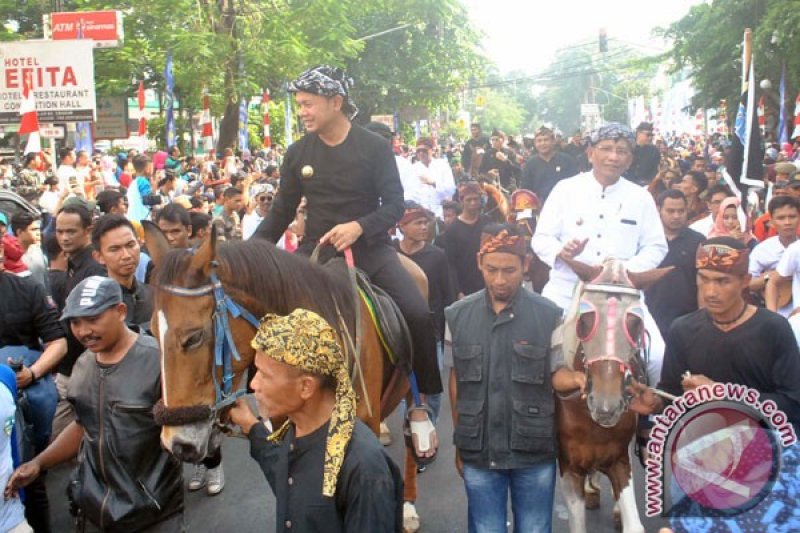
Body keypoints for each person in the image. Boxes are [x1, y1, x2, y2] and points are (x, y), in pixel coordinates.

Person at [253, 65, 441, 462]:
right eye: (299, 104)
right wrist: (246, 257)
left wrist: (358, 226)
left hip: (370, 249)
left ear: (335, 102)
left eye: (308, 104)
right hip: (315, 257)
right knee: (262, 320)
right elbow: (279, 215)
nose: (302, 111)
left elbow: (393, 205)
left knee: (416, 312)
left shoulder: (373, 147)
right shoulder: (298, 153)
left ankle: (419, 403)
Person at [5, 277, 184, 532]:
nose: (83, 330)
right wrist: (38, 463)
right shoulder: (83, 364)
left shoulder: (160, 361)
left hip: (154, 515)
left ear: (120, 311)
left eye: (93, 319)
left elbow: (188, 435)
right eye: (76, 322)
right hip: (93, 513)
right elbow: (83, 426)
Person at [445, 224, 586, 533]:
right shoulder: (456, 316)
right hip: (479, 451)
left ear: (526, 265)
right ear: (478, 263)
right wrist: (460, 441)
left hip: (533, 450)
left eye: (509, 270)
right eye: (491, 269)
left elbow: (556, 374)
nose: (499, 279)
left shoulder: (550, 314)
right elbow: (456, 384)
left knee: (535, 529)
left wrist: (576, 379)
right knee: (486, 529)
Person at [227, 308, 403, 533]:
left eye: (264, 375)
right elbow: (288, 477)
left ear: (306, 387)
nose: (254, 385)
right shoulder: (297, 428)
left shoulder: (364, 469)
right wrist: (251, 426)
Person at [531, 123, 668, 384]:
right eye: (606, 149)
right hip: (567, 290)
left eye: (621, 151)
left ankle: (650, 420)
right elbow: (541, 238)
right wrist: (562, 252)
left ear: (630, 159)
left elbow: (656, 246)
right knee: (535, 352)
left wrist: (623, 270)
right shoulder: (565, 189)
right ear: (590, 153)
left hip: (622, 295)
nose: (613, 157)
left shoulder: (640, 197)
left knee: (657, 357)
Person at [630, 238, 800, 430]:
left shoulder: (773, 329)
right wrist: (656, 402)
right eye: (704, 278)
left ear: (744, 281)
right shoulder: (683, 330)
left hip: (764, 448)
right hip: (701, 447)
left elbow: (792, 404)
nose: (710, 292)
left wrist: (723, 395)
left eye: (722, 281)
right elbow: (673, 393)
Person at [0, 236, 67, 533]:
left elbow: (57, 342)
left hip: (20, 408)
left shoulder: (27, 289)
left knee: (30, 481)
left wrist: (33, 372)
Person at [393, 203, 456, 423]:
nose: (424, 227)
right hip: (398, 330)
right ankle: (410, 427)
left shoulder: (437, 256)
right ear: (402, 226)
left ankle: (429, 423)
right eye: (418, 223)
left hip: (431, 333)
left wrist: (445, 329)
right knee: (400, 385)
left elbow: (447, 294)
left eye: (425, 222)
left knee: (432, 386)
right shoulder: (390, 255)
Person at [52, 203, 106, 440]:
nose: (64, 238)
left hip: (84, 372)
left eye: (70, 231)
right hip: (68, 369)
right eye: (59, 231)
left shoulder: (94, 271)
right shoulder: (72, 267)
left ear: (88, 230)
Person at [644, 189, 705, 340]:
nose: (676, 216)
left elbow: (703, 281)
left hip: (686, 320)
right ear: (659, 210)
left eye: (681, 211)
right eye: (670, 211)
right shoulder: (647, 240)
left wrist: (702, 319)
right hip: (649, 318)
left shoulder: (698, 241)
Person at [91, 215, 153, 333]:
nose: (126, 255)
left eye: (130, 245)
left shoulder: (155, 296)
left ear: (139, 243)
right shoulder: (95, 304)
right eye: (115, 249)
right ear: (99, 257)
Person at [750, 196, 800, 316]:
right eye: (781, 218)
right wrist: (770, 276)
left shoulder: (797, 248)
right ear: (771, 222)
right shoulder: (762, 250)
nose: (787, 222)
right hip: (777, 311)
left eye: (792, 217)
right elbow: (748, 284)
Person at [442, 182, 491, 298]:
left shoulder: (488, 223)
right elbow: (450, 264)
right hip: (465, 287)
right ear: (461, 201)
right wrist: (457, 290)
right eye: (469, 200)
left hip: (487, 283)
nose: (473, 203)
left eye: (476, 199)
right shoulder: (453, 230)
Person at [520, 126, 578, 203]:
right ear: (535, 143)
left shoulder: (567, 160)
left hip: (565, 204)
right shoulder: (530, 165)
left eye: (546, 140)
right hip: (540, 208)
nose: (543, 143)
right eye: (539, 141)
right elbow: (526, 191)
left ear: (553, 141)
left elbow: (575, 185)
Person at [407, 137, 456, 220]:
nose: (421, 153)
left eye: (424, 150)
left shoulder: (442, 165)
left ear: (431, 150)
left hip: (440, 212)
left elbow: (451, 189)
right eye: (418, 151)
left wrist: (433, 183)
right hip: (421, 214)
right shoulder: (413, 169)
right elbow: (409, 193)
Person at [10, 212, 48, 291]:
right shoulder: (8, 256)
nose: (38, 233)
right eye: (33, 230)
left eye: (38, 229)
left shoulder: (37, 250)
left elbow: (45, 280)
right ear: (20, 232)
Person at [626, 122, 661, 186]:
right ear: (639, 133)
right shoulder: (627, 148)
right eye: (648, 135)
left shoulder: (654, 151)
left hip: (646, 186)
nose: (650, 137)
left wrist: (647, 182)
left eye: (652, 135)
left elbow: (655, 170)